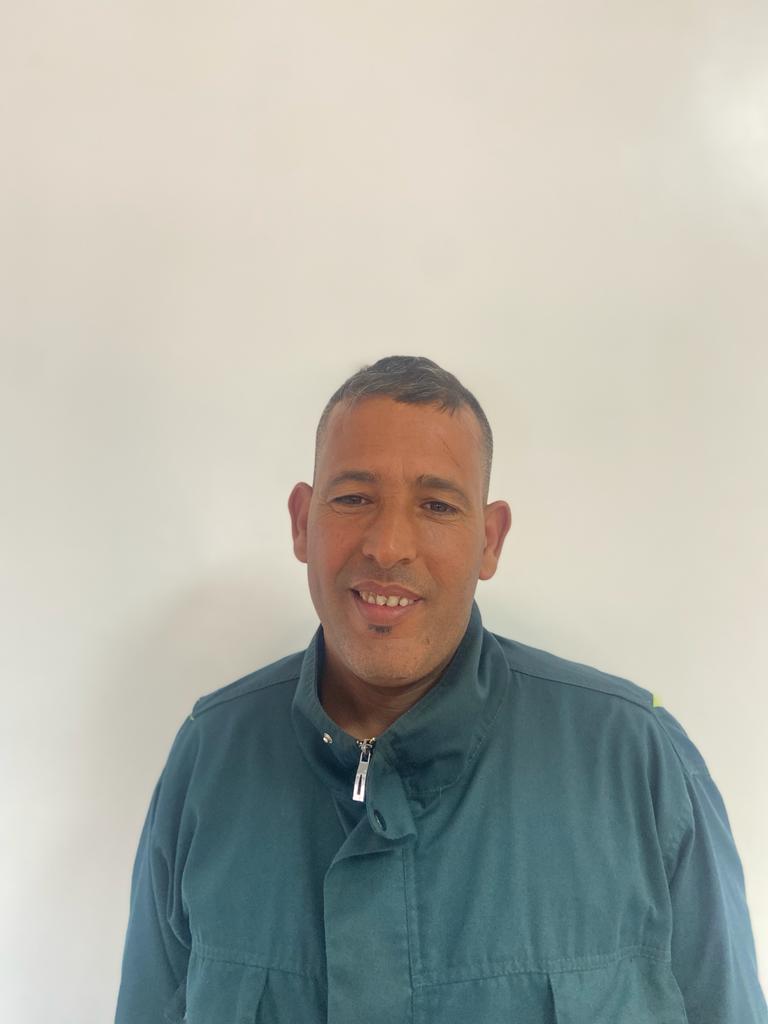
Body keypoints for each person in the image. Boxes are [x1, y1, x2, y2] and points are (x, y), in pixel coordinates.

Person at [115, 355, 767, 1024]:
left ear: (490, 539)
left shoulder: (637, 765)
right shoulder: (209, 760)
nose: (388, 546)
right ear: (301, 521)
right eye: (354, 498)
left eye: (436, 505)